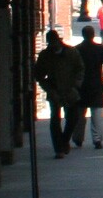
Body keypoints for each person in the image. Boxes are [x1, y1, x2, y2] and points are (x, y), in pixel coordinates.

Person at [32, 29, 83, 159]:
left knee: (73, 118)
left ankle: (64, 140)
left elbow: (80, 69)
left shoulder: (71, 52)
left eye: (54, 42)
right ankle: (59, 148)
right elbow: (39, 75)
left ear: (59, 41)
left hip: (70, 89)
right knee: (55, 120)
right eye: (50, 43)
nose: (53, 45)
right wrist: (49, 89)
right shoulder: (45, 55)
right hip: (55, 90)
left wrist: (76, 85)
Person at [72, 24, 103, 150]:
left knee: (79, 115)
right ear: (93, 35)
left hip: (81, 86)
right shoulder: (101, 49)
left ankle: (78, 138)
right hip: (96, 85)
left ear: (83, 35)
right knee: (97, 114)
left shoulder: (76, 50)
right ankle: (97, 139)